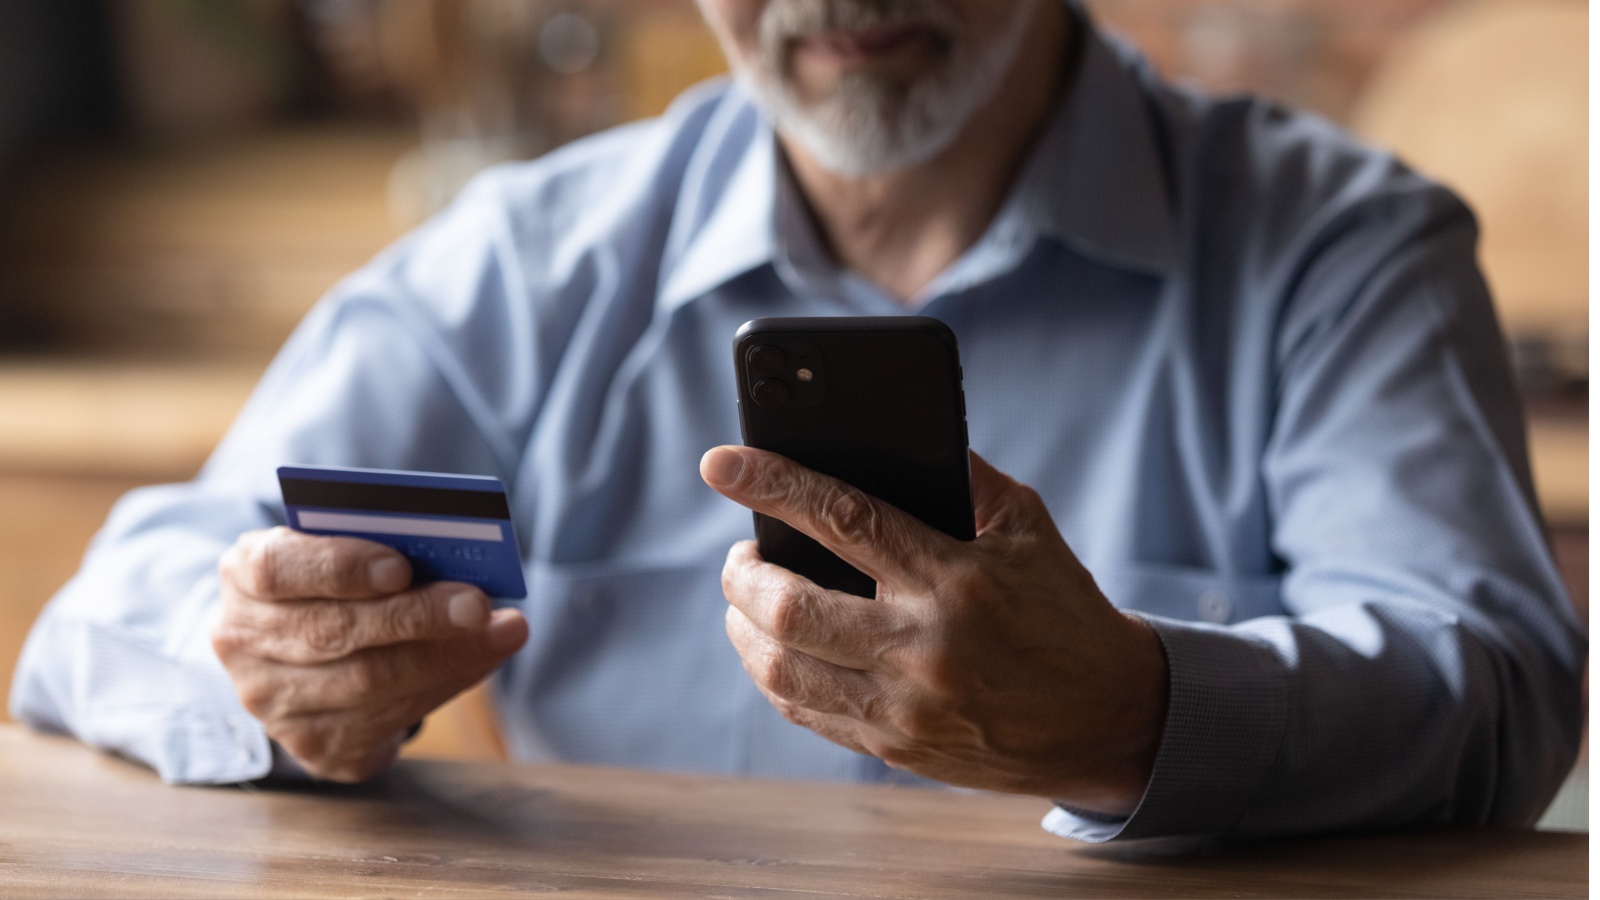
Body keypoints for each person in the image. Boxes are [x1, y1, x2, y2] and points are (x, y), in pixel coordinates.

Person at [10, 0, 1584, 842]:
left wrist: (1144, 710)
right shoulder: (531, 264)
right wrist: (263, 663)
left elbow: (1502, 693)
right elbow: (102, 621)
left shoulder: (1340, 248)